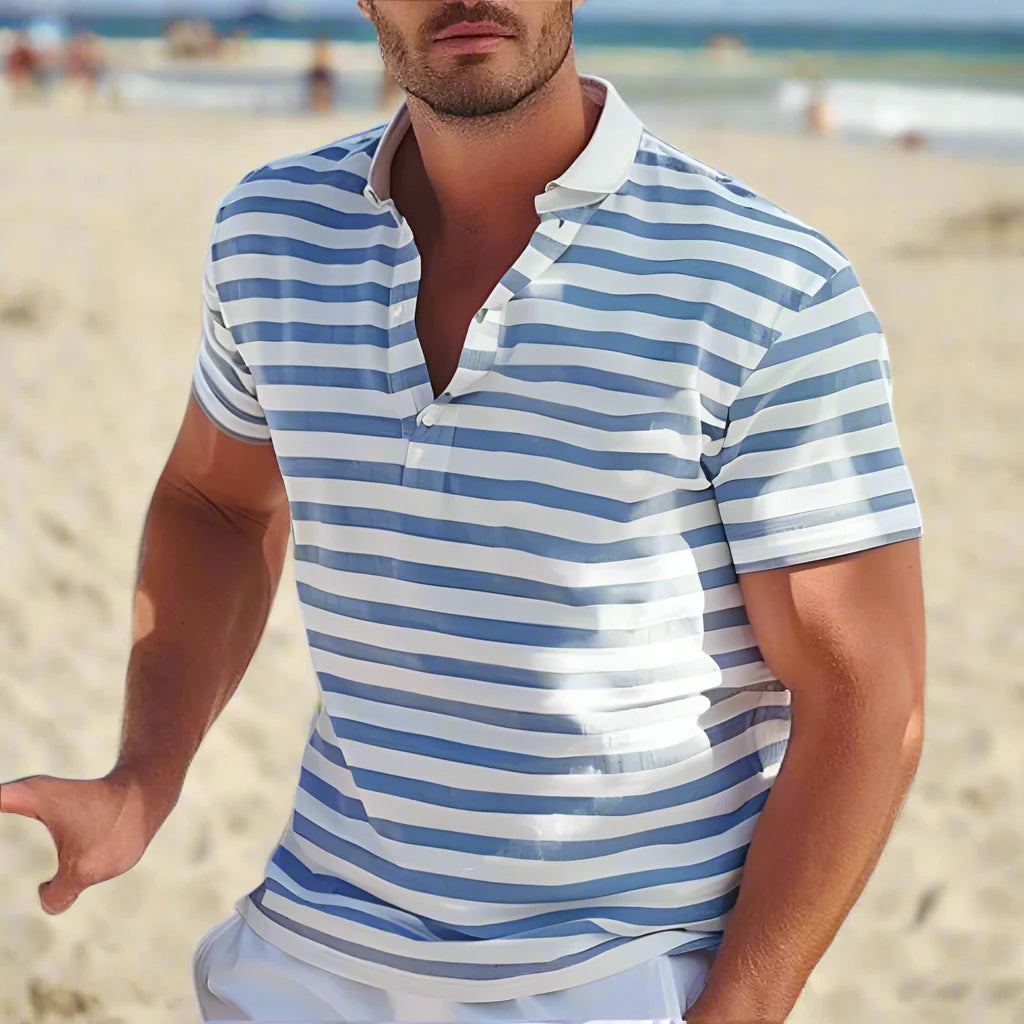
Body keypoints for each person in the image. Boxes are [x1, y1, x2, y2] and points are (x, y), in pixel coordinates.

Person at [0, 2, 927, 1022]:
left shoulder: (767, 284)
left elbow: (865, 695)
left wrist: (738, 1010)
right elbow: (215, 504)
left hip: (611, 973)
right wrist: (143, 776)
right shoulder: (272, 232)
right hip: (307, 950)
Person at [306, 37, 336, 113]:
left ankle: (322, 106)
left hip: (322, 71)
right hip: (319, 71)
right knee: (318, 90)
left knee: (322, 90)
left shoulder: (323, 52)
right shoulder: (320, 53)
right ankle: (319, 106)